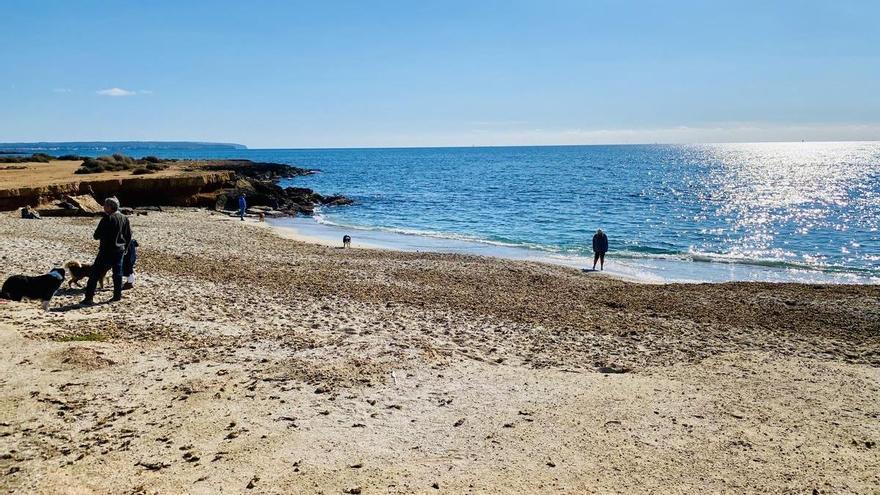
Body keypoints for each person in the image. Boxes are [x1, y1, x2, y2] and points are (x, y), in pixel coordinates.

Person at [81, 197, 132, 305]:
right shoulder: (124, 218)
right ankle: (117, 296)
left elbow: (96, 235)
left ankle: (89, 297)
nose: (103, 207)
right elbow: (128, 235)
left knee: (95, 274)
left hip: (106, 250)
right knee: (117, 274)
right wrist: (126, 249)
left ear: (110, 207)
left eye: (105, 205)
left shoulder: (106, 219)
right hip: (119, 250)